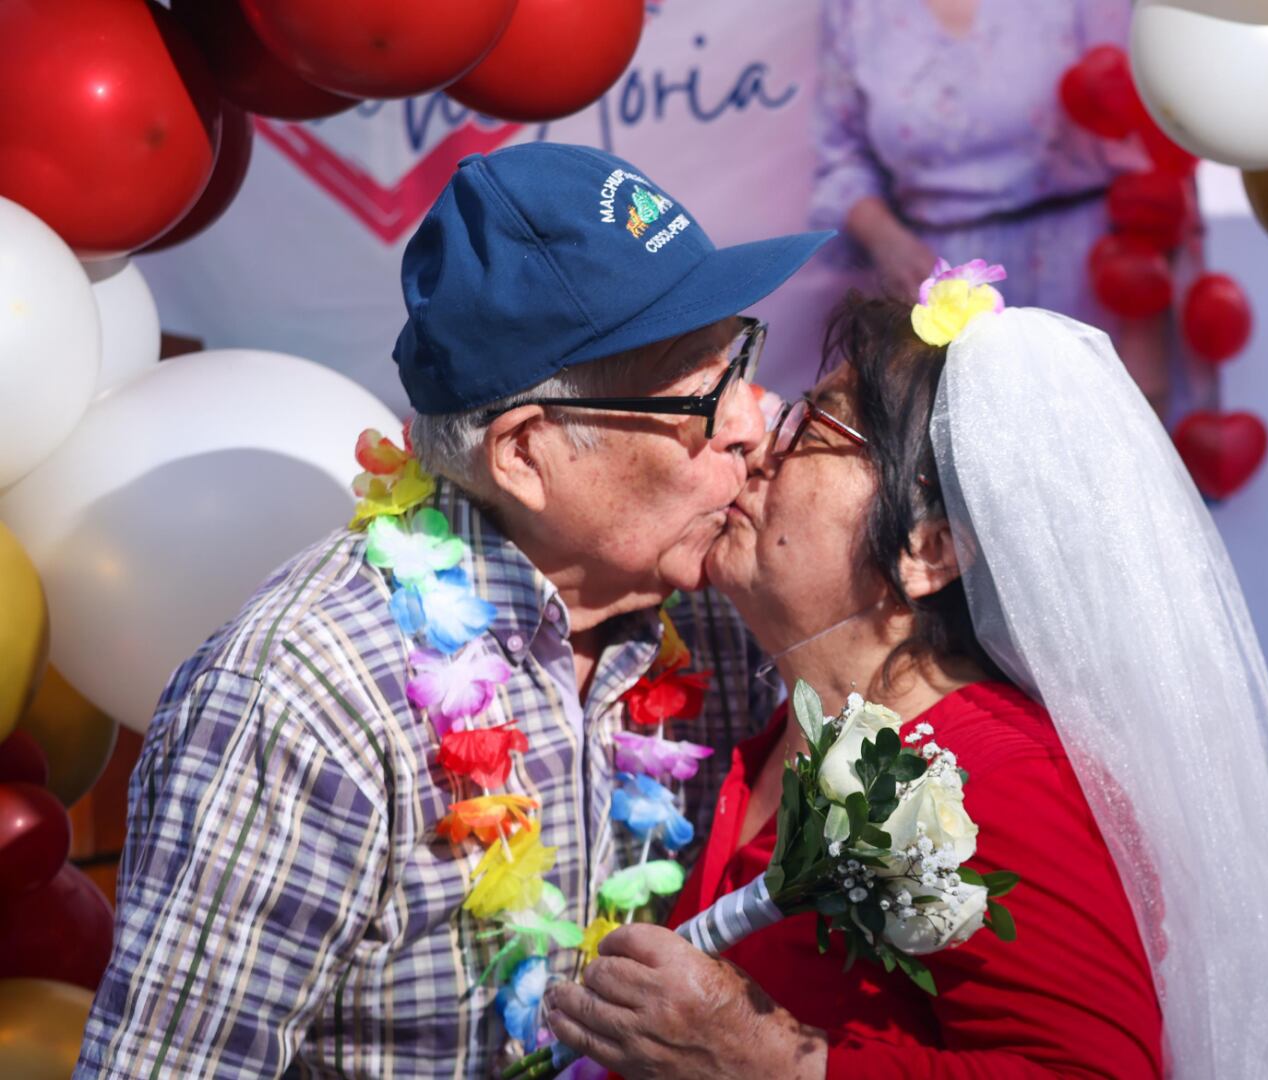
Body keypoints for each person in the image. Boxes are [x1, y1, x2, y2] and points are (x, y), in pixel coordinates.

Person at [76, 143, 830, 1078]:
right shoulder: (307, 699)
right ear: (525, 454)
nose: (752, 418)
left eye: (740, 351)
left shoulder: (723, 610)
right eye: (698, 383)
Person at [544, 271, 1268, 1077]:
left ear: (930, 549)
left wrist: (766, 1064)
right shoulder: (772, 732)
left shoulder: (999, 781)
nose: (762, 441)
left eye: (816, 426)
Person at [811, 0, 1209, 417]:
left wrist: (1145, 338)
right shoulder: (852, 9)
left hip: (1089, 283)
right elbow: (841, 161)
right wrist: (885, 239)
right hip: (943, 298)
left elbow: (1143, 148)